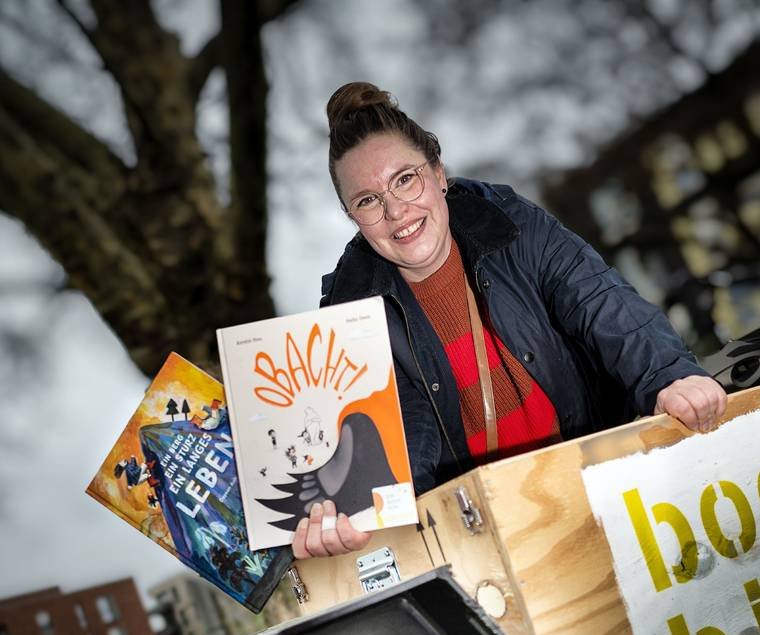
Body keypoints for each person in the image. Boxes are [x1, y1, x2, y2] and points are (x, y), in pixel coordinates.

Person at [293, 82, 726, 559]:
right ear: (352, 216)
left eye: (405, 180)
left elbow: (600, 301)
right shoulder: (350, 313)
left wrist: (670, 375)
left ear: (439, 174)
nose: (396, 210)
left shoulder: (511, 224)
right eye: (368, 200)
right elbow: (396, 440)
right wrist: (360, 518)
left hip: (598, 482)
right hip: (490, 540)